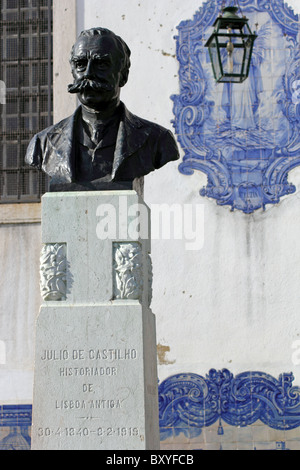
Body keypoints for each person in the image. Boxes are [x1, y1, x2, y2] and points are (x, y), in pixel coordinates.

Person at [25, 27, 179, 189]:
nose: (88, 73)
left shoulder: (157, 140)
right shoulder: (42, 144)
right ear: (72, 71)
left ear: (123, 75)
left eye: (102, 64)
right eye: (80, 64)